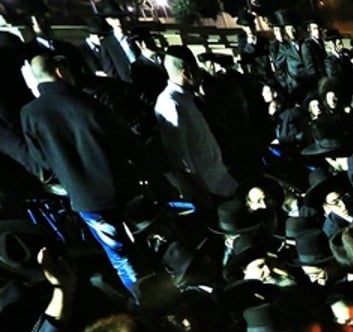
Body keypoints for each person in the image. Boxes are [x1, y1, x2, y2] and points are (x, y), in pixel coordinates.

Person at [20, 54, 151, 298]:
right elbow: (128, 143)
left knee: (120, 255)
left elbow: (42, 163)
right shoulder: (87, 102)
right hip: (123, 188)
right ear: (60, 71)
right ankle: (167, 285)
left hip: (86, 199)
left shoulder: (30, 113)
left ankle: (144, 299)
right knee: (146, 242)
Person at [155, 47, 238, 206]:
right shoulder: (170, 104)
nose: (201, 76)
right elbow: (180, 158)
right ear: (186, 73)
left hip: (220, 179)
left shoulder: (187, 98)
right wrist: (200, 192)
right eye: (197, 71)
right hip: (208, 189)